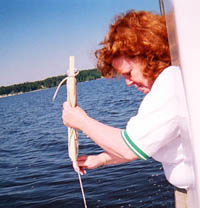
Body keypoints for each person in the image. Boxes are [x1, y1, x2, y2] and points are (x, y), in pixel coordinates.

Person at [62, 10, 193, 189]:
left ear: (149, 55)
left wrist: (81, 121)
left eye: (129, 73)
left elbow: (129, 148)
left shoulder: (171, 82)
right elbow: (145, 142)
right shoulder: (176, 81)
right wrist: (101, 159)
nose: (128, 83)